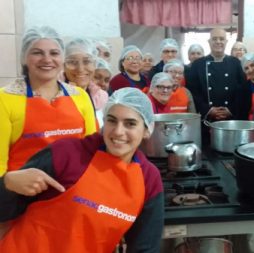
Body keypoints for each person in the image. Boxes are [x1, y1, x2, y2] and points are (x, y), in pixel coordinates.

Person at [0, 87, 163, 252]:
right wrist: (7, 184)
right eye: (112, 121)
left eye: (130, 124)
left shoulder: (148, 179)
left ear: (146, 130)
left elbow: (145, 247)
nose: (118, 131)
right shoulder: (67, 154)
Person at [0, 26, 97, 176]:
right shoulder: (5, 98)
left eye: (54, 53)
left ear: (63, 58)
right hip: (23, 195)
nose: (47, 59)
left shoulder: (80, 96)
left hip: (73, 191)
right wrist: (7, 185)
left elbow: (93, 151)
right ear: (24, 58)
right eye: (37, 53)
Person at [186, 28, 251, 143]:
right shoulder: (198, 64)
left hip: (231, 121)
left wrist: (230, 110)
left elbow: (242, 91)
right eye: (214, 39)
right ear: (209, 41)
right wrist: (209, 110)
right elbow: (193, 92)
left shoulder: (235, 63)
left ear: (226, 42)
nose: (218, 42)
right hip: (207, 121)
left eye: (221, 39)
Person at [64, 38, 108, 111]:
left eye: (86, 61)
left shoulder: (100, 97)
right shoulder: (54, 95)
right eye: (72, 62)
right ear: (64, 66)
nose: (80, 69)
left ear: (95, 64)